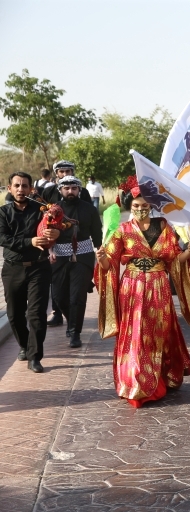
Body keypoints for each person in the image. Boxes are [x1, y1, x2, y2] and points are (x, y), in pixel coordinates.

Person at [95, 190, 190, 407]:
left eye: (144, 205)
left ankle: (160, 377)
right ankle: (135, 381)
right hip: (132, 287)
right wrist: (101, 260)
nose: (140, 209)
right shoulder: (122, 230)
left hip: (159, 284)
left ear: (151, 206)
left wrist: (189, 252)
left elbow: (175, 260)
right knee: (135, 333)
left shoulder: (164, 226)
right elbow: (111, 264)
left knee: (158, 331)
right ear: (129, 206)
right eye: (136, 205)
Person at [0, 172, 59, 373]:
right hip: (12, 269)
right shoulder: (3, 213)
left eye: (25, 186)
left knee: (36, 314)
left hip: (39, 267)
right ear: (10, 188)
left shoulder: (43, 210)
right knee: (14, 315)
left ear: (31, 188)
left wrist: (57, 232)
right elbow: (3, 238)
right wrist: (29, 242)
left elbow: (61, 224)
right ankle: (25, 345)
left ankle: (35, 356)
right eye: (16, 185)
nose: (20, 189)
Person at [51, 176, 103, 348]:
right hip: (59, 256)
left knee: (77, 297)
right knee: (59, 297)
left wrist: (100, 251)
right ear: (60, 190)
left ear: (79, 190)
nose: (70, 191)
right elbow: (46, 231)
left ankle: (75, 332)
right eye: (66, 188)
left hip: (83, 255)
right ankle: (70, 319)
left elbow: (97, 233)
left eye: (74, 188)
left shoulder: (89, 209)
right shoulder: (53, 210)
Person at [43, 160, 92, 327]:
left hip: (78, 244)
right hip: (57, 244)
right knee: (58, 289)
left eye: (68, 171)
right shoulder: (49, 191)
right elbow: (44, 219)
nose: (65, 174)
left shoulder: (82, 192)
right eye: (61, 171)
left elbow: (87, 214)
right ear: (56, 173)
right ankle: (58, 313)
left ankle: (74, 324)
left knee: (77, 289)